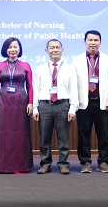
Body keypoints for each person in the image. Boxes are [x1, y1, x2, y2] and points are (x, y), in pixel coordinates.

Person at [72, 30, 108, 173]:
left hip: (102, 102)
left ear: (100, 42)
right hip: (83, 102)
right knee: (83, 134)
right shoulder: (76, 60)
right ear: (85, 42)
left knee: (104, 134)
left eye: (96, 40)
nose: (93, 43)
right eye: (90, 40)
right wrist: (74, 103)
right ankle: (85, 162)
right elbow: (73, 83)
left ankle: (103, 162)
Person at [32, 39, 78, 174]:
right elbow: (36, 89)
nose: (55, 50)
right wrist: (35, 108)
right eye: (52, 47)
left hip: (63, 105)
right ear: (47, 50)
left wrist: (72, 108)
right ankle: (45, 164)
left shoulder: (70, 69)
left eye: (58, 47)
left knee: (63, 138)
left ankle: (63, 164)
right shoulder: (40, 69)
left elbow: (74, 89)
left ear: (62, 50)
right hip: (45, 105)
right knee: (44, 137)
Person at [0, 37, 34, 173]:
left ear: (19, 49)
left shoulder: (26, 65)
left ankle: (21, 166)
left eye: (15, 47)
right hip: (3, 103)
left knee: (21, 133)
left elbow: (30, 86)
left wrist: (31, 103)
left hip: (21, 102)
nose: (12, 50)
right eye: (10, 47)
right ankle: (3, 165)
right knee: (3, 133)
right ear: (5, 50)